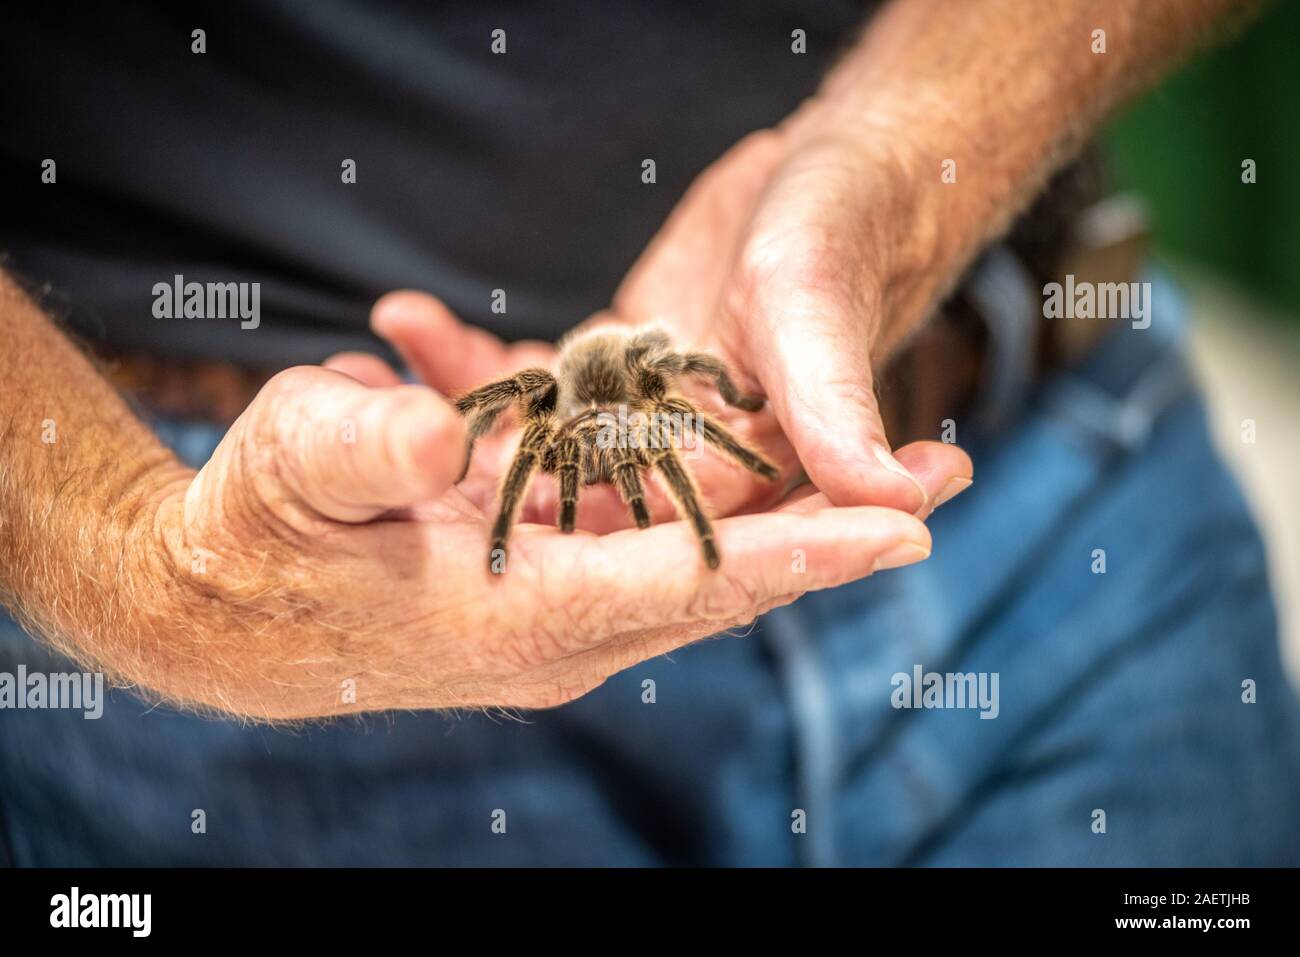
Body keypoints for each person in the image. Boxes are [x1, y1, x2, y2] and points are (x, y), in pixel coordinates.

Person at [1, 0, 1296, 865]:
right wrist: (135, 552)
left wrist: (904, 152)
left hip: (1061, 471)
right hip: (290, 633)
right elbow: (557, 429)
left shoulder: (657, 385)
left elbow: (698, 409)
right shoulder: (554, 416)